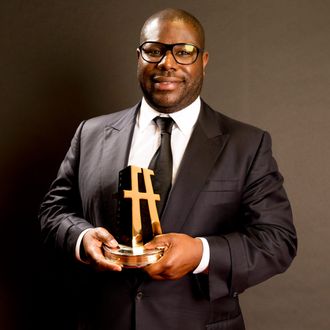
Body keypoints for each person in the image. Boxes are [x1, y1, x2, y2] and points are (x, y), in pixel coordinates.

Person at [39, 8, 297, 330]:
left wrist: (201, 253)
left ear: (203, 61)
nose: (167, 63)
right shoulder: (90, 133)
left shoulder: (247, 144)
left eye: (183, 52)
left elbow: (277, 241)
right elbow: (54, 211)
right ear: (139, 57)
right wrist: (82, 237)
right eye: (154, 50)